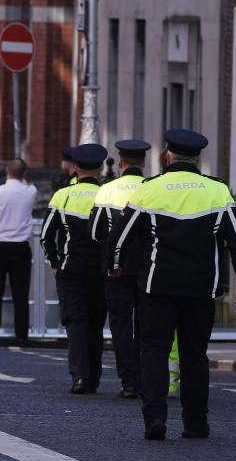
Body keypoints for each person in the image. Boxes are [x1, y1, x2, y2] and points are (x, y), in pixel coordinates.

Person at [110, 129, 236, 441]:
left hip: (157, 286)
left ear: (168, 155)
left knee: (153, 349)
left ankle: (155, 417)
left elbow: (119, 236)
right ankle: (195, 423)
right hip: (200, 289)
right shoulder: (218, 191)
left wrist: (114, 265)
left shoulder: (149, 189)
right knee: (194, 355)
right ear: (197, 159)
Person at [40, 143, 107, 394]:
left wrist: (54, 262)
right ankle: (94, 377)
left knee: (75, 322)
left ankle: (80, 376)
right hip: (101, 269)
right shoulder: (107, 195)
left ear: (76, 168)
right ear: (100, 169)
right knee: (95, 323)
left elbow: (46, 235)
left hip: (71, 267)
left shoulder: (63, 195)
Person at [88, 139, 150, 399]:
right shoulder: (151, 187)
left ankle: (129, 381)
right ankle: (147, 378)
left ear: (121, 162)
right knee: (146, 325)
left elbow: (94, 232)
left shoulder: (107, 190)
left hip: (116, 269)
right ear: (144, 162)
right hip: (148, 268)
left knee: (121, 325)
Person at [0, 158, 38, 347]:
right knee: (21, 294)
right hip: (20, 247)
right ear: (24, 174)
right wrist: (22, 177)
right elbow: (25, 183)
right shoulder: (31, 191)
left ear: (6, 172)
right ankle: (22, 336)